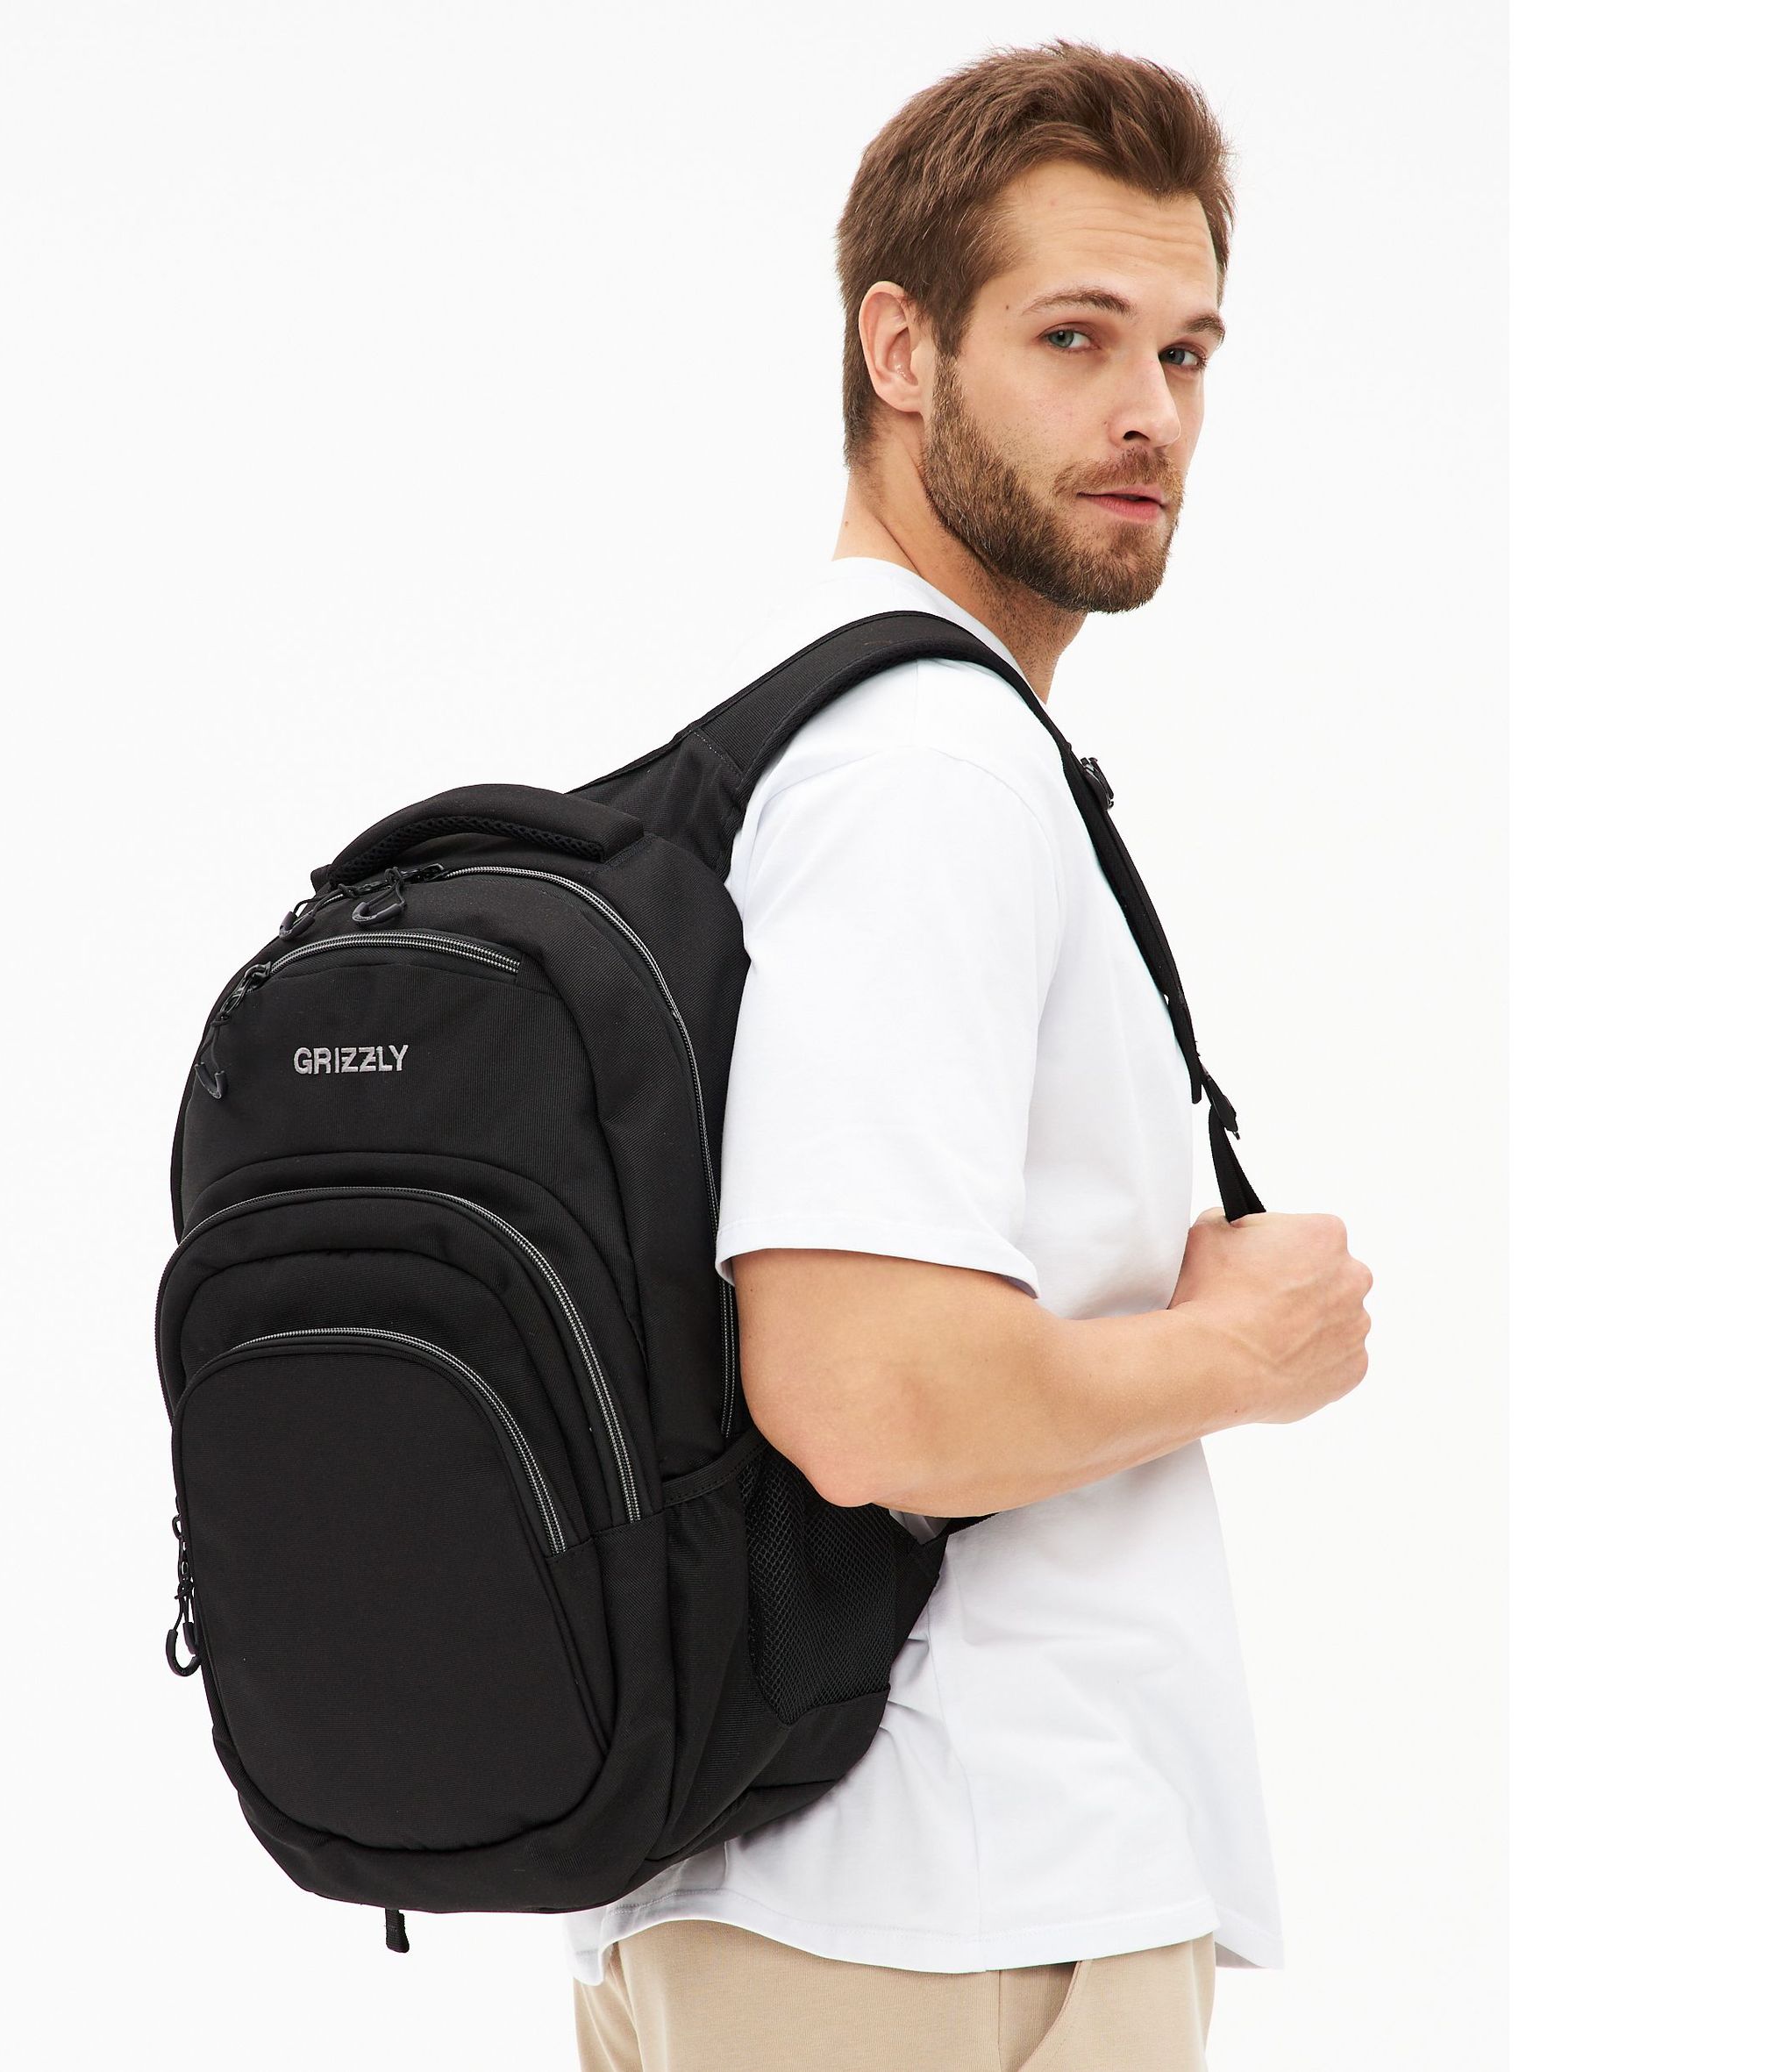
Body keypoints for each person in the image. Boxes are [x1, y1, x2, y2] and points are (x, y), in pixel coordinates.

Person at [566, 39, 1373, 2072]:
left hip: (808, 1897)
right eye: (1072, 335)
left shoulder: (800, 738)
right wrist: (1239, 1352)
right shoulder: (923, 767)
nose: (1146, 409)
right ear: (899, 348)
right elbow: (864, 1389)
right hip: (945, 1909)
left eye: (1185, 352)